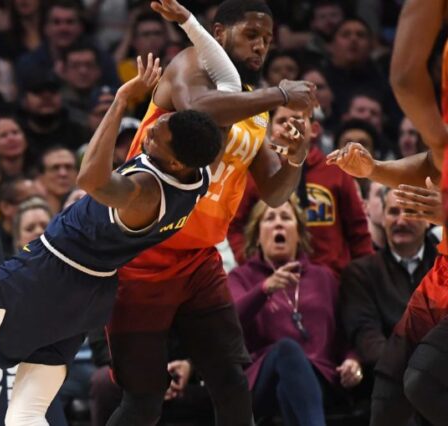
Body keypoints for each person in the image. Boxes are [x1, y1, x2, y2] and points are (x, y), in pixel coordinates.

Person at [0, 54, 225, 426]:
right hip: (90, 294)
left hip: (46, 275)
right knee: (26, 412)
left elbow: (89, 178)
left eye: (160, 135)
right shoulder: (198, 173)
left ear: (174, 163)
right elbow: (219, 105)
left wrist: (122, 99)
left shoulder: (144, 191)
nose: (151, 130)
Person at [105, 1, 316, 425]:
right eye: (251, 35)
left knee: (231, 382)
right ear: (219, 33)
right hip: (145, 253)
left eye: (267, 40)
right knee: (144, 399)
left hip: (200, 259)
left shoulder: (253, 105)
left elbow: (274, 193)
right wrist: (279, 95)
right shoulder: (189, 64)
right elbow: (198, 111)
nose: (261, 47)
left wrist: (296, 157)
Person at [326, 0, 448, 422]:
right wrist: (375, 169)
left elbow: (404, 79)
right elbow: (437, 163)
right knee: (390, 391)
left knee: (424, 382)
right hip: (444, 272)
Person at [228, 196, 362, 426]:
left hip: (320, 376)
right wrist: (264, 289)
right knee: (287, 350)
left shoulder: (324, 278)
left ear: (299, 234)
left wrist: (352, 360)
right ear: (257, 236)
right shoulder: (241, 278)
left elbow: (343, 336)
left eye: (286, 218)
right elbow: (229, 324)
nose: (278, 223)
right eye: (269, 218)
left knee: (287, 390)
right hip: (261, 380)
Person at [227, 106, 373, 276]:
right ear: (270, 131)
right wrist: (252, 264)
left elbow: (358, 233)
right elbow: (234, 226)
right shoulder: (257, 175)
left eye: (298, 120)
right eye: (282, 121)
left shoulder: (337, 172)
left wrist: (363, 278)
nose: (290, 127)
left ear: (315, 130)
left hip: (332, 284)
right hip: (270, 281)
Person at [340, 187, 437, 369]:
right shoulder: (360, 274)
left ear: (428, 221)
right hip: (388, 382)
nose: (401, 221)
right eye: (393, 212)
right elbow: (367, 340)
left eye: (410, 211)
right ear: (383, 219)